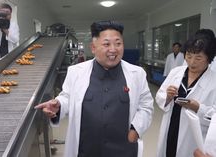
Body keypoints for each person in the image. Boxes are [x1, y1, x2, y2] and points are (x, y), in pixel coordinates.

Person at [35, 20, 154, 157]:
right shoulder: (76, 72)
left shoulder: (137, 74)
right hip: (86, 149)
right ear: (93, 47)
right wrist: (59, 105)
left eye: (118, 43)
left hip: (123, 150)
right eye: (106, 44)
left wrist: (135, 130)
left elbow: (146, 106)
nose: (113, 49)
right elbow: (67, 96)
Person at [155, 29, 216, 157]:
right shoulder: (176, 72)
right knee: (168, 152)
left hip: (194, 136)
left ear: (209, 58)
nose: (192, 62)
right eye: (188, 56)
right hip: (171, 126)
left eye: (198, 58)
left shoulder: (214, 81)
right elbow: (159, 95)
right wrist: (167, 97)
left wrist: (198, 107)